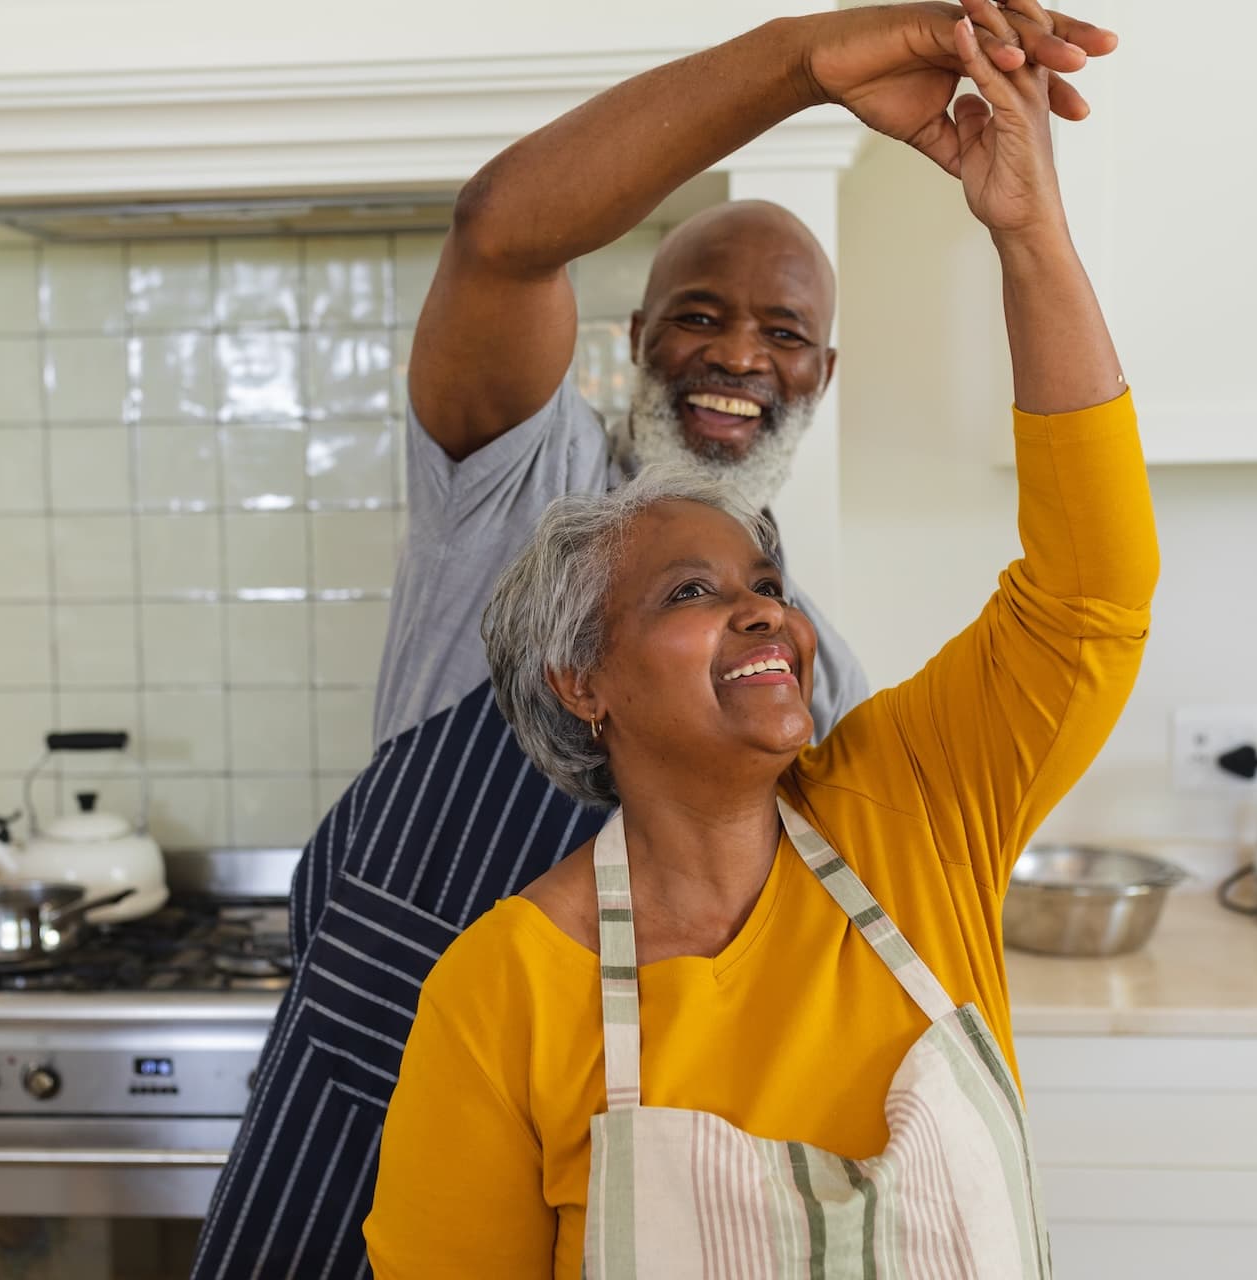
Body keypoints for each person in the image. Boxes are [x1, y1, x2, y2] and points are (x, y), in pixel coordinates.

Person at [188, 3, 1113, 1274]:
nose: (739, 352)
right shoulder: (527, 492)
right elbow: (501, 237)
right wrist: (799, 65)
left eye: (782, 331)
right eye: (699, 313)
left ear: (822, 373)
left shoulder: (801, 667)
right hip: (355, 1100)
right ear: (635, 341)